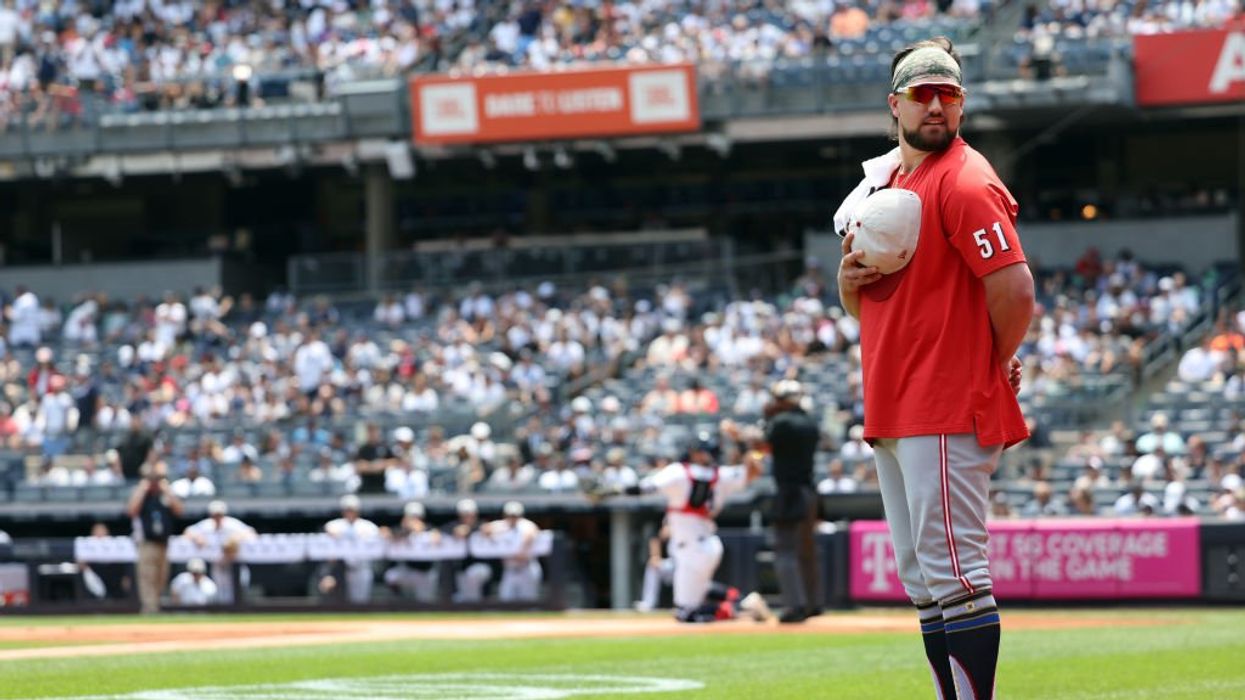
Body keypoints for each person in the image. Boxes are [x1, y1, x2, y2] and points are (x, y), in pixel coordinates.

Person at [833, 36, 1034, 700]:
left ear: (962, 105)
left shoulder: (965, 179)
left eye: (948, 95)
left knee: (956, 575)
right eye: (922, 94)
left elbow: (1014, 290)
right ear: (895, 104)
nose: (936, 106)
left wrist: (990, 362)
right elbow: (866, 305)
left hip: (943, 401)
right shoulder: (889, 181)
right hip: (895, 400)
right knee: (924, 582)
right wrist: (847, 280)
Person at [628, 431, 771, 623]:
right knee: (701, 589)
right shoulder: (721, 475)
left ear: (696, 453)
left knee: (685, 613)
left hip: (690, 545)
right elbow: (754, 471)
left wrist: (611, 491)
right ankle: (743, 600)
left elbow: (641, 488)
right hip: (707, 542)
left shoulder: (679, 471)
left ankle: (739, 611)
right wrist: (743, 445)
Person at [762, 380, 824, 623]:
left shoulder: (781, 422)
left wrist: (766, 420)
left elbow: (764, 443)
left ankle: (794, 606)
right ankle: (813, 603)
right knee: (807, 550)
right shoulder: (810, 422)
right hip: (809, 491)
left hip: (789, 492)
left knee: (785, 549)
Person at [126, 461, 185, 614]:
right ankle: (149, 609)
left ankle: (156, 606)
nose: (154, 482)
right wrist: (143, 488)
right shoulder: (143, 494)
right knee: (147, 577)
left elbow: (179, 510)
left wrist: (166, 489)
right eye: (151, 478)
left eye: (157, 478)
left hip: (164, 543)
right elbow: (131, 510)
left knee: (161, 577)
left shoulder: (164, 494)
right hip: (147, 543)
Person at [182, 500, 256, 605]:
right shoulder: (207, 525)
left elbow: (251, 533)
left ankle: (239, 615)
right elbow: (188, 531)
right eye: (215, 515)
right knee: (221, 595)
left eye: (220, 515)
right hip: (218, 565)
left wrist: (237, 538)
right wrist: (196, 537)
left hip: (235, 564)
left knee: (239, 591)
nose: (217, 518)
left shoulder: (232, 524)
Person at [322, 494, 381, 604]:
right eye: (347, 509)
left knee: (361, 602)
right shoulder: (336, 524)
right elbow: (328, 529)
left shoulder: (368, 526)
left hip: (362, 568)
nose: (349, 512)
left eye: (352, 509)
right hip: (342, 570)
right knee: (342, 601)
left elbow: (377, 537)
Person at [382, 501, 441, 603]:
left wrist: (421, 530)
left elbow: (437, 537)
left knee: (426, 603)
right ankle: (398, 598)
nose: (414, 520)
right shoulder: (402, 529)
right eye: (411, 517)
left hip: (425, 572)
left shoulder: (429, 528)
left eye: (417, 516)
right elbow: (387, 533)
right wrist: (405, 530)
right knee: (391, 575)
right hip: (408, 570)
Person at [485, 501, 542, 602]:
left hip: (527, 567)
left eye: (515, 515)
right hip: (510, 569)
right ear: (505, 515)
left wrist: (521, 551)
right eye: (510, 515)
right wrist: (496, 532)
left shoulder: (526, 525)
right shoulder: (501, 525)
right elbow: (485, 529)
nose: (513, 518)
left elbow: (531, 533)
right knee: (506, 600)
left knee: (529, 602)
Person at [442, 498, 492, 603]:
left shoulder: (482, 525)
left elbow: (489, 529)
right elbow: (442, 532)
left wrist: (471, 530)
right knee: (463, 596)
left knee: (475, 574)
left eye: (470, 513)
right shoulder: (453, 525)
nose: (468, 516)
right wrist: (456, 531)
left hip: (480, 566)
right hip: (460, 569)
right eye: (465, 514)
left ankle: (476, 605)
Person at [634, 520, 674, 612]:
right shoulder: (657, 536)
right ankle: (648, 603)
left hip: (683, 567)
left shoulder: (682, 535)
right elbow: (654, 558)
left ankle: (682, 603)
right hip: (669, 567)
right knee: (652, 567)